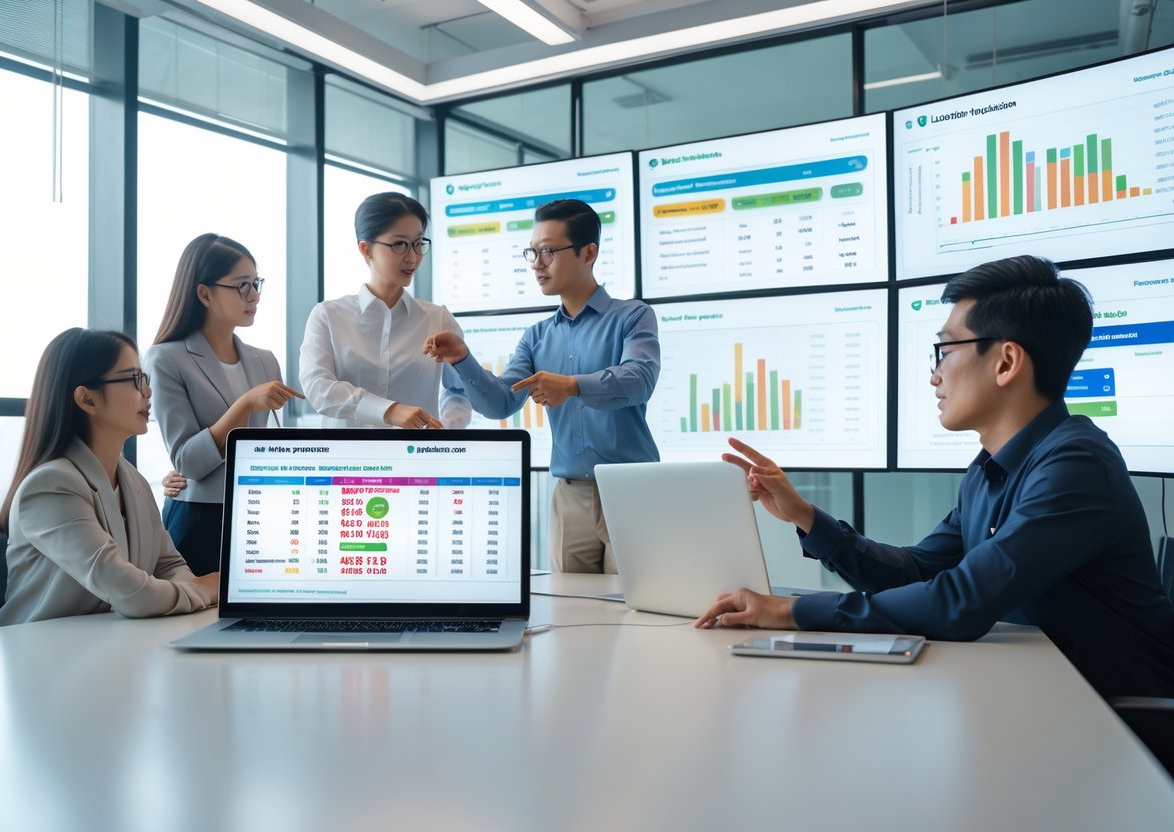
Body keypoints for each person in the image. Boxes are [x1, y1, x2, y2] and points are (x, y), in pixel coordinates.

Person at [695, 255, 1174, 701]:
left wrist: (788, 612)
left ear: (1006, 362)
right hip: (1032, 698)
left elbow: (961, 602)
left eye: (944, 351)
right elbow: (918, 573)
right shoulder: (989, 469)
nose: (934, 375)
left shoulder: (1076, 466)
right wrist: (804, 517)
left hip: (1116, 722)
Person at [424, 198, 660, 574]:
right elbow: (501, 403)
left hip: (632, 491)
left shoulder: (632, 316)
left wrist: (572, 386)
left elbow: (639, 380)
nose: (537, 263)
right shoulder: (536, 337)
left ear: (588, 253)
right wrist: (462, 359)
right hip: (569, 495)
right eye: (532, 252)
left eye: (548, 251)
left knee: (638, 606)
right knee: (574, 612)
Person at [0, 329, 219, 626]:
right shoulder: (50, 487)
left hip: (112, 647)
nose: (148, 392)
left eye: (145, 378)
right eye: (133, 379)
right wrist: (206, 590)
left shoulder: (133, 481)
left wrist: (191, 592)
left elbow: (169, 565)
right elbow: (132, 593)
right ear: (87, 400)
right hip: (42, 659)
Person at [145, 234, 302, 575]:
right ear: (204, 293)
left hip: (259, 515)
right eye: (242, 285)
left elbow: (268, 452)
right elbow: (187, 461)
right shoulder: (165, 359)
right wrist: (244, 404)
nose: (255, 296)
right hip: (201, 519)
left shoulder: (265, 361)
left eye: (256, 283)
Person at [299, 192, 470, 430]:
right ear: (366, 249)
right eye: (399, 244)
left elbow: (460, 390)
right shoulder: (328, 316)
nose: (413, 257)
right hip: (348, 463)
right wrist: (389, 411)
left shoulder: (437, 319)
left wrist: (445, 431)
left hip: (416, 461)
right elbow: (318, 388)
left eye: (418, 244)